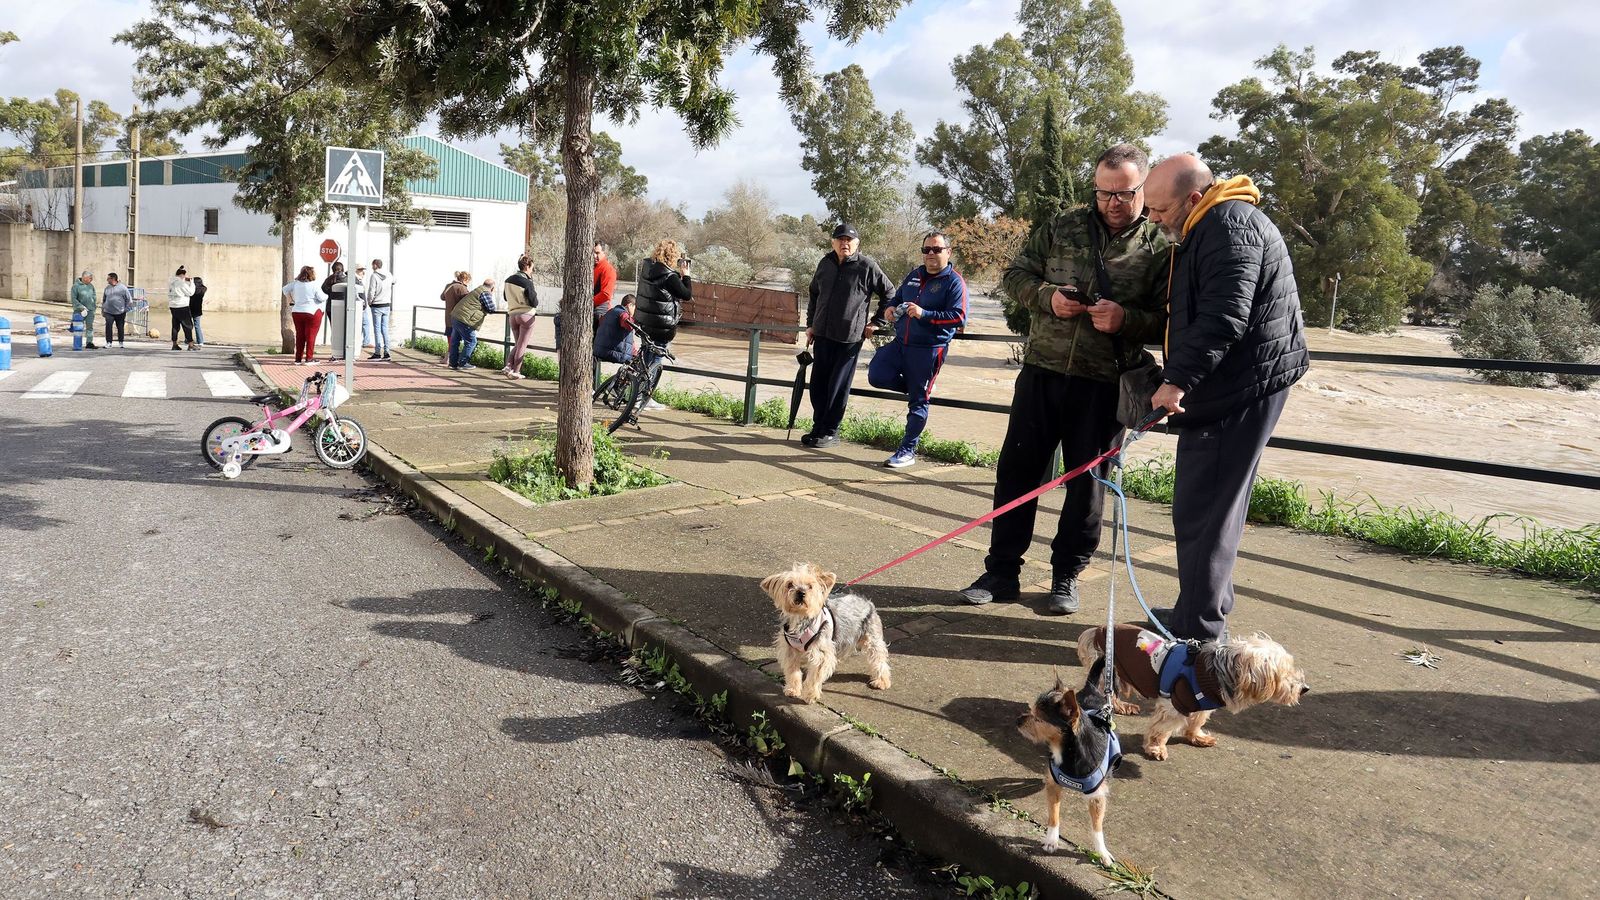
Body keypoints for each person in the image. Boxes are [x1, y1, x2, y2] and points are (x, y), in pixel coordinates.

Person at [958, 144, 1170, 616]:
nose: (1113, 202)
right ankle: (1001, 572)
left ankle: (1065, 578)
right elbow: (1014, 276)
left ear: (1144, 187)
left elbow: (1170, 322)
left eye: (1125, 193)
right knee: (1016, 474)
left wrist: (1127, 320)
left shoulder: (1161, 246)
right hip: (1042, 373)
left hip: (1103, 385)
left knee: (1088, 483)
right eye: (1103, 192)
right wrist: (1046, 297)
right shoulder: (1061, 226)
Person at [1142, 153, 1309, 641]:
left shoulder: (1229, 226)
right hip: (1243, 381)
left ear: (1193, 198)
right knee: (1220, 505)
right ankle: (1203, 605)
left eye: (1159, 210)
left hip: (1236, 388)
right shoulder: (1214, 221)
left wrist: (1176, 381)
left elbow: (1223, 316)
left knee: (1203, 510)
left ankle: (1196, 634)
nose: (1152, 220)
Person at [866, 231, 968, 469]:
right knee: (876, 374)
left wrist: (925, 314)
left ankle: (907, 450)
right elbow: (897, 297)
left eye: (936, 249)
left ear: (948, 252)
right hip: (901, 343)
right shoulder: (914, 275)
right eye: (926, 250)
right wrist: (890, 309)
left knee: (918, 403)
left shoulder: (955, 282)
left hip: (929, 349)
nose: (931, 254)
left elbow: (959, 317)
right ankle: (917, 392)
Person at [801, 223, 895, 449]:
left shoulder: (867, 266)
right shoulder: (825, 263)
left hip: (849, 339)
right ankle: (818, 428)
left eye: (849, 240)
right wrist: (811, 324)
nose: (845, 243)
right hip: (822, 335)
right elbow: (814, 294)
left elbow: (891, 294)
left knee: (837, 388)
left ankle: (831, 432)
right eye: (840, 239)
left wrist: (876, 321)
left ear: (857, 244)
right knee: (818, 386)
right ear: (833, 242)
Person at [633, 239, 693, 408]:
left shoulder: (648, 270)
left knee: (645, 359)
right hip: (661, 326)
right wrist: (686, 275)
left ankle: (635, 397)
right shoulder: (669, 276)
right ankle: (644, 398)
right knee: (656, 361)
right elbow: (686, 294)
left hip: (644, 323)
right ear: (673, 257)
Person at [501, 255, 539, 378]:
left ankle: (508, 366)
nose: (532, 271)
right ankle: (516, 372)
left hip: (512, 315)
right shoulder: (527, 282)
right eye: (532, 268)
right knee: (522, 345)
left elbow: (505, 297)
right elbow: (534, 302)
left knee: (517, 344)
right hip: (526, 315)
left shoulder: (508, 280)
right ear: (527, 266)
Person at [448, 277, 497, 370]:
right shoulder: (485, 292)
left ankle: (453, 363)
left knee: (455, 341)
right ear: (492, 288)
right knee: (471, 341)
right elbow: (491, 308)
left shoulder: (477, 290)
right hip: (465, 319)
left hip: (456, 315)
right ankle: (463, 363)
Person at [282, 265, 327, 365]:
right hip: (312, 312)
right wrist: (327, 294)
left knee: (300, 335)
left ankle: (298, 359)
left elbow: (284, 289)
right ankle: (309, 359)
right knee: (310, 335)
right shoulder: (314, 285)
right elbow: (322, 298)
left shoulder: (295, 284)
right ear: (312, 274)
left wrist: (290, 300)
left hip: (297, 312)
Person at [440, 271, 473, 368]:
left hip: (448, 316)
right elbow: (469, 299)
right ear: (465, 279)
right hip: (458, 317)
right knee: (460, 339)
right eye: (468, 281)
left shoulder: (449, 286)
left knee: (450, 338)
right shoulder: (462, 288)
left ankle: (448, 357)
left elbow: (442, 297)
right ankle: (454, 359)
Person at [594, 293, 638, 365]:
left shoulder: (610, 312)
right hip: (614, 354)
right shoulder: (623, 314)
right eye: (635, 308)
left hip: (599, 351)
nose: (635, 312)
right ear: (629, 305)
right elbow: (629, 325)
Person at [367, 259, 393, 360]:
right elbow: (394, 281)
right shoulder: (389, 274)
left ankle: (377, 352)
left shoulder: (374, 276)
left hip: (377, 305)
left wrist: (369, 301)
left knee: (377, 329)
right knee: (385, 329)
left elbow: (371, 290)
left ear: (375, 265)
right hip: (387, 304)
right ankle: (387, 352)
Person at [168, 266, 197, 350]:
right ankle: (191, 344)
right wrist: (192, 283)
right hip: (182, 306)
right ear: (183, 275)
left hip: (173, 306)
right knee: (187, 325)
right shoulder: (181, 283)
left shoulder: (171, 282)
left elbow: (178, 289)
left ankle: (174, 344)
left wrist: (183, 280)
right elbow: (190, 292)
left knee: (175, 325)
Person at [71, 270, 100, 349]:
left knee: (89, 326)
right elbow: (73, 299)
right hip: (79, 310)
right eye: (90, 278)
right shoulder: (76, 286)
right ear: (85, 278)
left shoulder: (91, 286)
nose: (91, 280)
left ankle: (89, 342)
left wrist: (94, 306)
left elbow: (94, 296)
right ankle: (77, 343)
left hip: (90, 310)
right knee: (78, 327)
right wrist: (81, 307)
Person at [102, 273, 132, 348]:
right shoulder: (107, 288)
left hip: (120, 312)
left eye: (108, 278)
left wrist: (126, 309)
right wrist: (103, 309)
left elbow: (129, 300)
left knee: (120, 327)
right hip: (108, 312)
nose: (107, 280)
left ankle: (121, 342)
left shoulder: (123, 288)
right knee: (108, 326)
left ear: (113, 279)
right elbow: (104, 299)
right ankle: (109, 342)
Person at [593, 242, 617, 319]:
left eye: (597, 253)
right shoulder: (593, 267)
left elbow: (606, 294)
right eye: (593, 253)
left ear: (604, 253)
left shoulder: (608, 269)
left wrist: (588, 302)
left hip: (601, 312)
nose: (594, 256)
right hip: (593, 308)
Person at [189, 276, 208, 346]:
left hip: (190, 309)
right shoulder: (203, 289)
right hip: (198, 310)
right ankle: (200, 341)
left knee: (188, 326)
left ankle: (188, 340)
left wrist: (190, 282)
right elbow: (204, 287)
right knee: (197, 326)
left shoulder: (192, 290)